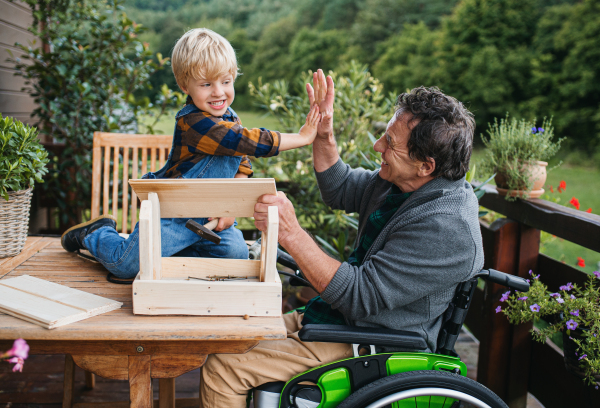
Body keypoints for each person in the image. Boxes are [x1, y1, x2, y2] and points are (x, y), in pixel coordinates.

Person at [198, 71, 484, 407]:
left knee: (223, 368)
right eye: (384, 135)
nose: (378, 146)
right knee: (231, 335)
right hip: (337, 320)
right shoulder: (399, 184)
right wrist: (324, 134)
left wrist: (291, 232)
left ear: (425, 165)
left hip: (373, 343)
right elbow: (340, 186)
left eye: (390, 143)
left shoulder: (447, 229)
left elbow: (358, 295)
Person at [60, 28, 320, 278]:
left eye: (226, 81)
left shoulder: (230, 119)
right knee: (125, 265)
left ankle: (182, 249)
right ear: (185, 85)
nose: (218, 92)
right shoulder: (196, 123)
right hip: (175, 216)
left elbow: (242, 166)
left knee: (235, 256)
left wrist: (228, 208)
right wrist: (302, 137)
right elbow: (244, 141)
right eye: (206, 84)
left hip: (210, 216)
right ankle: (97, 233)